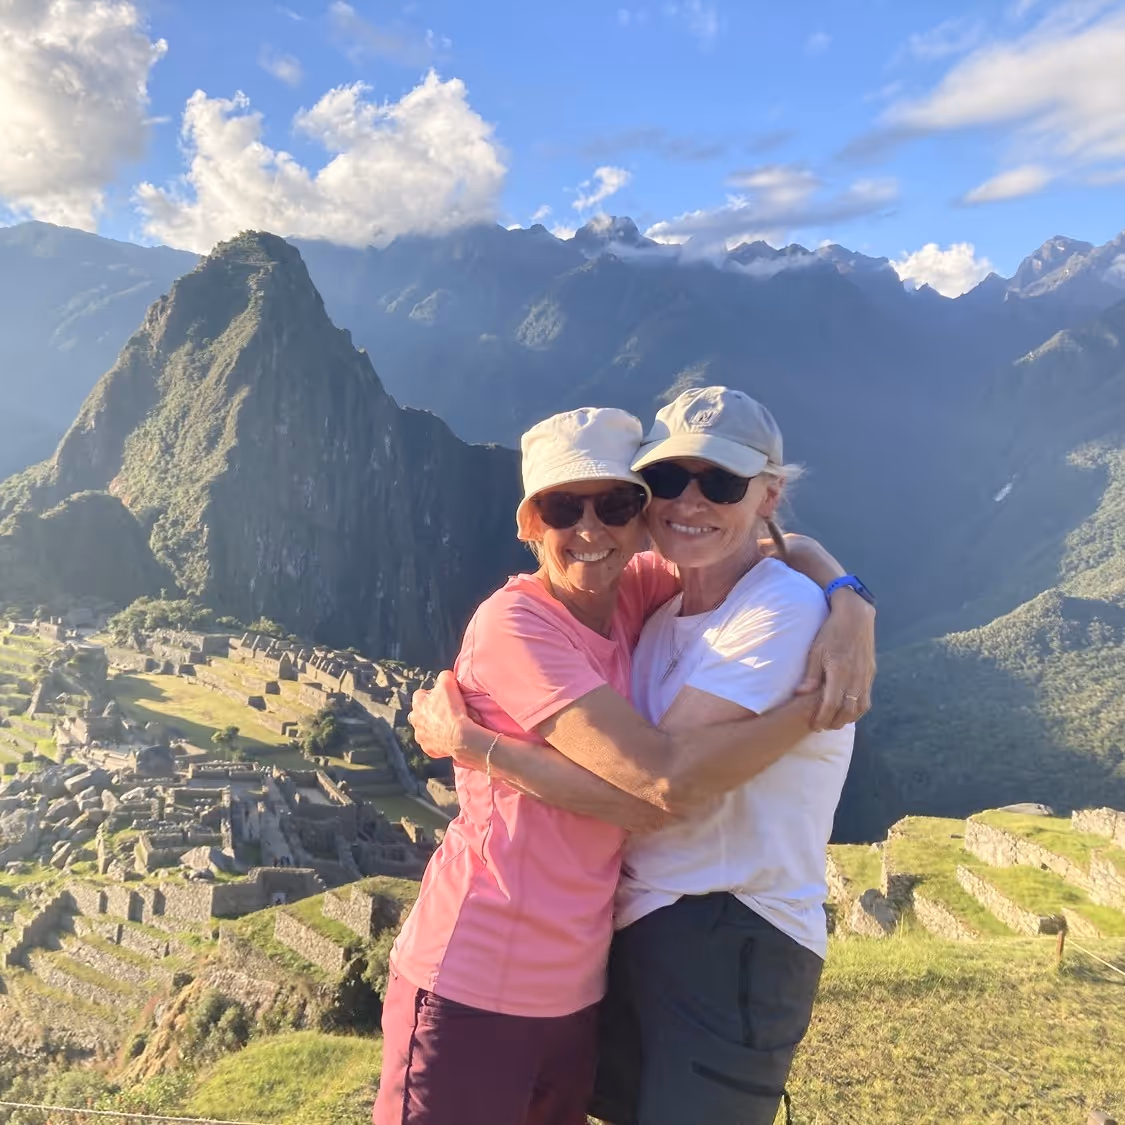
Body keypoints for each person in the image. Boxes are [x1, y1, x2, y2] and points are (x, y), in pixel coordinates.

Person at [375, 403, 875, 1125]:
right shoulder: (515, 626)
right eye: (559, 507)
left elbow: (776, 543)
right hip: (474, 971)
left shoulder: (638, 592)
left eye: (615, 503)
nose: (589, 529)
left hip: (576, 990)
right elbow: (655, 790)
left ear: (640, 521)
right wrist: (813, 709)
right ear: (527, 524)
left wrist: (849, 600)